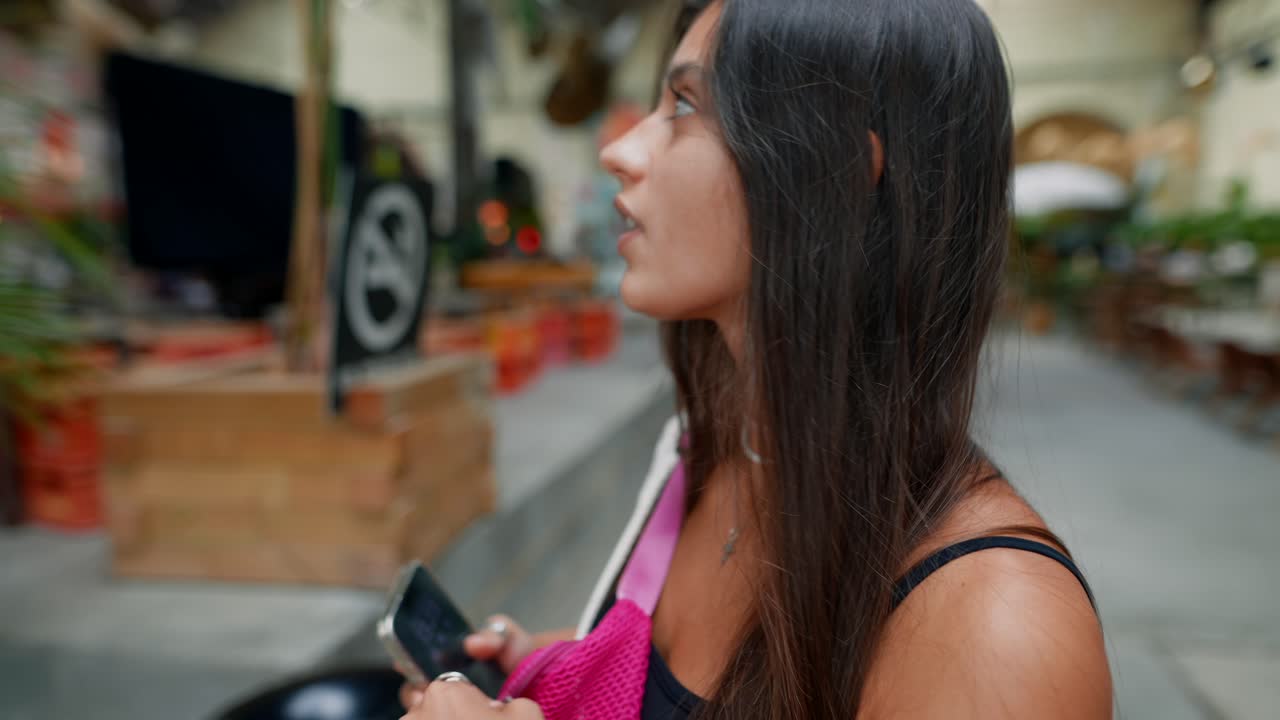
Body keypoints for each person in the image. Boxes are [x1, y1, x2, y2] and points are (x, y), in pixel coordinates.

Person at [400, 0, 1112, 717]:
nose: (620, 150)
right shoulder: (713, 450)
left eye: (685, 106)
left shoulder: (1000, 632)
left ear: (839, 174)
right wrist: (564, 659)